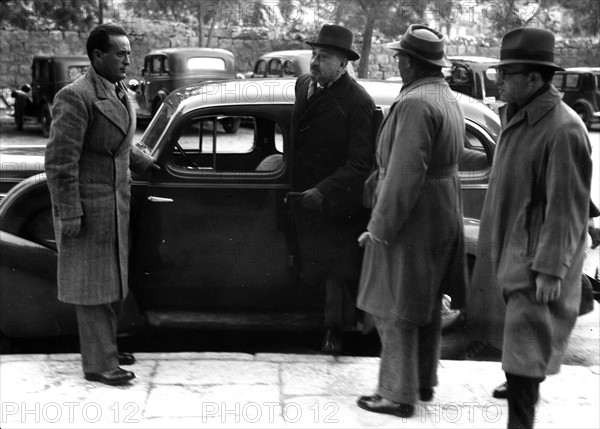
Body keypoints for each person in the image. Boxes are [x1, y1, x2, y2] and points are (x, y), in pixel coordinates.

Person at [468, 28, 592, 428]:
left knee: (525, 350)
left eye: (508, 73)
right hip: (513, 254)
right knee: (519, 347)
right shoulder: (520, 115)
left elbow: (568, 210)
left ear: (535, 79)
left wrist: (552, 269)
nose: (499, 79)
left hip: (536, 262)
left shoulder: (563, 128)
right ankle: (520, 384)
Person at [355, 24, 467, 418]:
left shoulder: (416, 103)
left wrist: (380, 228)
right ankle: (421, 381)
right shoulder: (445, 96)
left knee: (394, 305)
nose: (397, 61)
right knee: (426, 304)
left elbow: (405, 174)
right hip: (441, 211)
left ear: (413, 62)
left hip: (413, 218)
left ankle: (396, 394)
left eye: (401, 56)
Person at [45, 24, 158, 386]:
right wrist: (70, 212)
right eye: (120, 53)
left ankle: (105, 347)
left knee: (110, 281)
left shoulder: (118, 89)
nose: (128, 59)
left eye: (128, 52)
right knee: (92, 288)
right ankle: (98, 364)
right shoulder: (75, 97)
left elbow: (119, 141)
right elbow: (60, 162)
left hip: (114, 203)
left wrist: (142, 159)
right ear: (97, 57)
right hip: (88, 208)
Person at [289, 24, 378, 354]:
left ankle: (334, 332)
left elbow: (359, 163)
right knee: (310, 265)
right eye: (313, 54)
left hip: (336, 202)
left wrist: (323, 190)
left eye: (324, 57)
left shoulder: (358, 102)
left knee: (334, 272)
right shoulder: (303, 86)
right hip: (302, 196)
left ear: (343, 65)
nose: (314, 61)